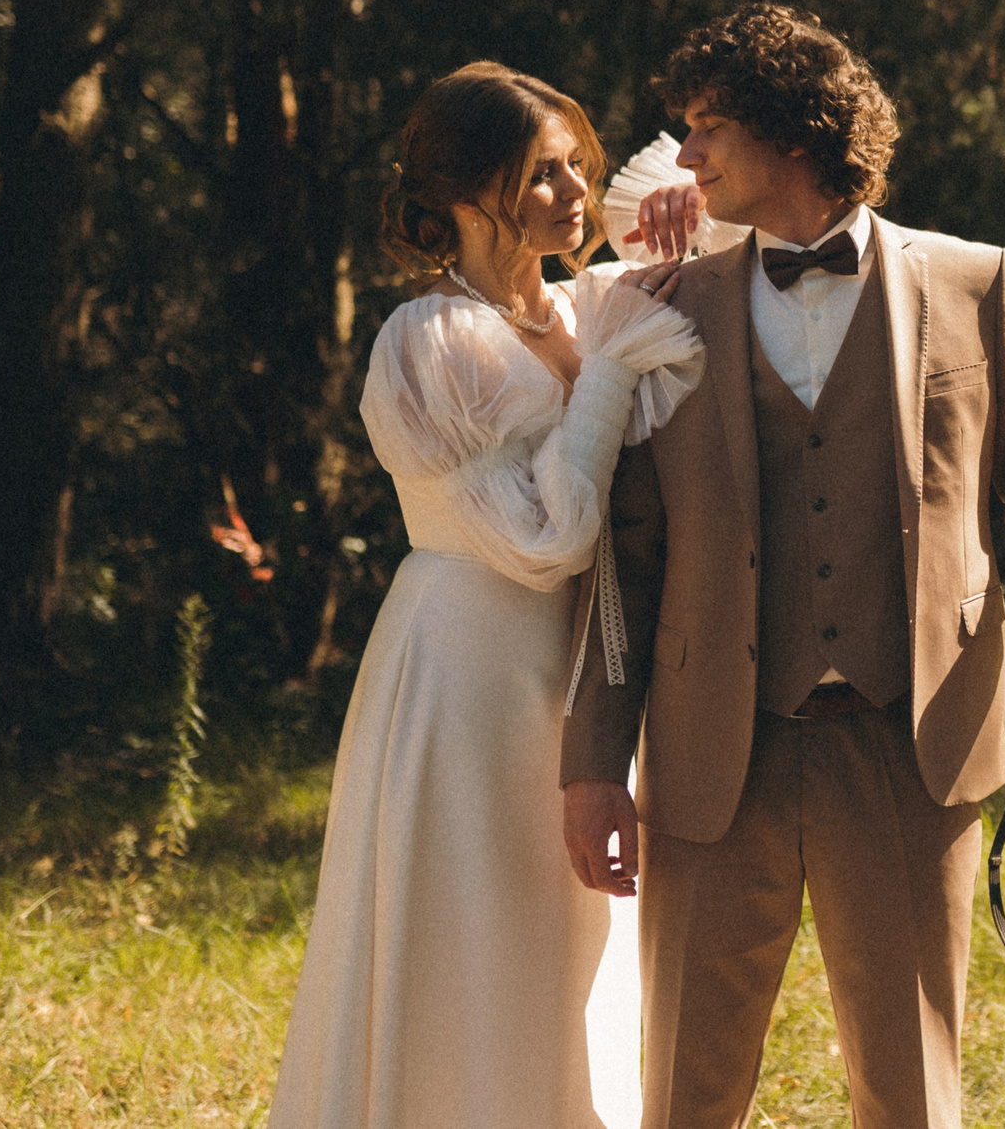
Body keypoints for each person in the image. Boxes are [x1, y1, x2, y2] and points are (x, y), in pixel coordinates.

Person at [558, 6, 1005, 1129]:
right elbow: (623, 565)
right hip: (709, 752)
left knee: (909, 1089)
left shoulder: (974, 282)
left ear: (791, 135)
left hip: (908, 743)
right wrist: (595, 759)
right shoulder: (658, 308)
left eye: (707, 128)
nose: (683, 158)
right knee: (686, 1088)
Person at [268, 62, 704, 1129]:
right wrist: (606, 370)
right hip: (467, 666)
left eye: (572, 166)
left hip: (580, 672)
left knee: (572, 940)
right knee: (469, 932)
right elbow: (545, 541)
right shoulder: (426, 343)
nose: (569, 192)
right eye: (537, 174)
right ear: (463, 193)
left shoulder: (587, 307)